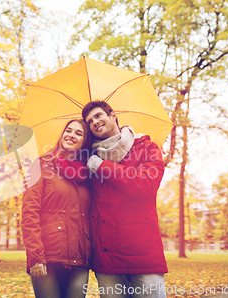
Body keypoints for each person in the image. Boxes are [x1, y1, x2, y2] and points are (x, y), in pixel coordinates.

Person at [81, 100, 168, 298]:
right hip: (105, 257)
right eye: (89, 121)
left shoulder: (147, 148)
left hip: (142, 253)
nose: (94, 122)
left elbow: (145, 185)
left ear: (113, 116)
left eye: (98, 116)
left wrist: (102, 165)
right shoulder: (88, 157)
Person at [21, 119, 93, 298]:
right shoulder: (42, 164)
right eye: (69, 130)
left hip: (80, 259)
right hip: (48, 258)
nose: (71, 135)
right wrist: (36, 257)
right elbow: (30, 213)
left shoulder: (89, 174)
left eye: (79, 133)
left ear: (85, 141)